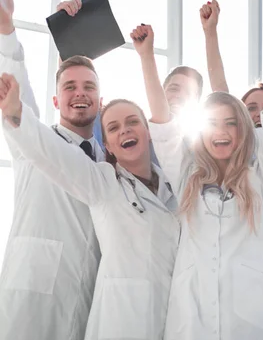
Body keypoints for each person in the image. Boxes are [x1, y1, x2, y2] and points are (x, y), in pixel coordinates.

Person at [134, 15, 263, 339]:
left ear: (243, 130)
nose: (222, 131)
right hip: (192, 318)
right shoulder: (187, 177)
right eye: (212, 123)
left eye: (231, 123)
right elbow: (164, 126)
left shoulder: (261, 178)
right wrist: (146, 57)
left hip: (254, 319)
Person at [0, 71, 180, 339]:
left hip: (171, 316)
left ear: (149, 132)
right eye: (114, 127)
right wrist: (17, 113)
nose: (125, 130)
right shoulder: (103, 181)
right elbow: (51, 152)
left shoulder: (174, 189)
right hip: (120, 319)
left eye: (133, 122)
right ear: (107, 144)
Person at [0, 0, 102, 340]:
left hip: (91, 307)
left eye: (89, 88)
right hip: (29, 308)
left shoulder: (111, 163)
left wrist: (70, 35)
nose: (79, 94)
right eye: (69, 88)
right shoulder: (31, 142)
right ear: (55, 102)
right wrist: (6, 31)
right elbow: (16, 95)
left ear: (100, 101)